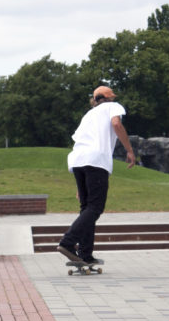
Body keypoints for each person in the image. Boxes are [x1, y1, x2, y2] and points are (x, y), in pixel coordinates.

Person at [57, 85, 136, 266]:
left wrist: (80, 185)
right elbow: (116, 124)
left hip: (78, 161)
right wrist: (129, 150)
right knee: (95, 207)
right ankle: (68, 243)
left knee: (87, 209)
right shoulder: (113, 106)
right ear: (109, 98)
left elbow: (79, 141)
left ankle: (85, 254)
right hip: (96, 160)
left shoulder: (88, 115)